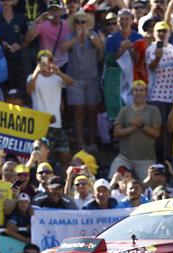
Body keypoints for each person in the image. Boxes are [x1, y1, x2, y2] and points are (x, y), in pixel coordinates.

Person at [61, 10, 104, 151]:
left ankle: (92, 142)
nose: (80, 24)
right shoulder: (69, 36)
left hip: (92, 79)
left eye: (83, 21)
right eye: (78, 22)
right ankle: (80, 143)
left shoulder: (93, 35)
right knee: (78, 110)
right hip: (74, 79)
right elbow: (63, 48)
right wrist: (76, 38)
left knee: (92, 110)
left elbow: (101, 47)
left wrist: (89, 35)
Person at [26, 49, 75, 166]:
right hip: (41, 124)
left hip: (57, 123)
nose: (47, 63)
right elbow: (29, 89)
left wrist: (58, 72)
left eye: (50, 60)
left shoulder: (57, 78)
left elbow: (71, 82)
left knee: (65, 156)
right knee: (42, 157)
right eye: (43, 60)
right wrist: (37, 71)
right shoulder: (32, 77)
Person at [109, 80, 162, 180]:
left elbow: (156, 133)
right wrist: (132, 128)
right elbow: (116, 132)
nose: (138, 93)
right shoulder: (124, 110)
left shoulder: (153, 111)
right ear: (132, 93)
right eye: (136, 90)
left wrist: (142, 125)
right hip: (125, 158)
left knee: (149, 188)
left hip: (146, 159)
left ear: (146, 93)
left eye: (141, 90)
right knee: (113, 179)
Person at [146, 21, 173, 162]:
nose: (162, 34)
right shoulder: (151, 49)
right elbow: (151, 68)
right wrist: (158, 57)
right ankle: (157, 162)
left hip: (171, 97)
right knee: (159, 132)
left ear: (169, 33)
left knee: (169, 132)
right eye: (159, 31)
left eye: (165, 31)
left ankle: (168, 163)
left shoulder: (172, 48)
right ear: (154, 33)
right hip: (156, 96)